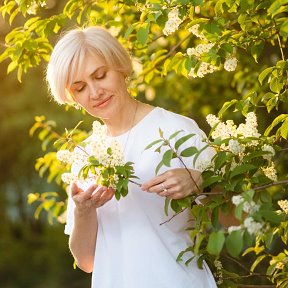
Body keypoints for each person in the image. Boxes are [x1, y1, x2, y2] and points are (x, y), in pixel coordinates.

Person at [46, 26, 217, 288]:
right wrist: (83, 210)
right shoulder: (85, 156)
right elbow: (87, 260)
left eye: (100, 76)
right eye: (80, 88)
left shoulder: (176, 130)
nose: (95, 93)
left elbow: (233, 218)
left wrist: (200, 181)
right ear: (72, 97)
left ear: (120, 67)